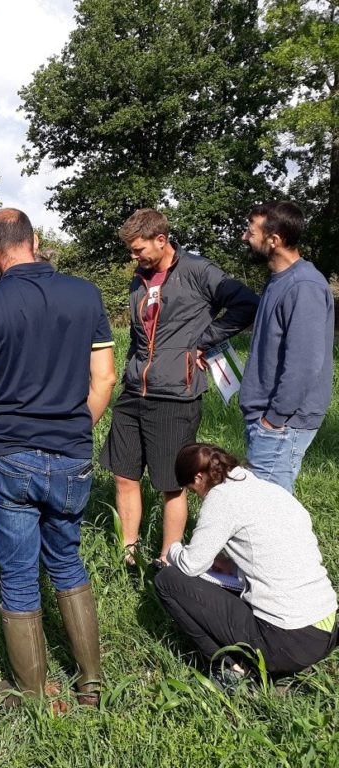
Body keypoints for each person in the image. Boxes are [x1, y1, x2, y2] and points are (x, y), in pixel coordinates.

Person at [0, 209, 117, 707]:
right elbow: (105, 378)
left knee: (19, 576)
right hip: (72, 453)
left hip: (10, 455)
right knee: (68, 562)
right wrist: (77, 427)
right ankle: (91, 684)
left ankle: (32, 692)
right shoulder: (86, 294)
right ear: (34, 241)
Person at [99, 208, 259, 565]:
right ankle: (128, 554)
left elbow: (247, 304)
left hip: (176, 396)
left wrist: (204, 341)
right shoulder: (139, 279)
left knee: (171, 484)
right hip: (133, 392)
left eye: (138, 249)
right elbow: (140, 334)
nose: (134, 256)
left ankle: (167, 559)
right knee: (124, 476)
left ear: (161, 239)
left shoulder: (198, 270)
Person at [155, 443, 337, 690]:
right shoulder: (271, 490)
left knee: (167, 580)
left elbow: (190, 566)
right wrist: (229, 564)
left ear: (198, 478)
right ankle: (286, 662)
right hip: (324, 627)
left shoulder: (222, 498)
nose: (198, 495)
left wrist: (172, 549)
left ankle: (230, 670)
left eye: (192, 489)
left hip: (288, 640)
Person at [239, 201, 334, 493]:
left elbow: (304, 364)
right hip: (268, 417)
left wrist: (274, 419)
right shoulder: (279, 281)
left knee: (270, 511)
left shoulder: (304, 286)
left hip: (281, 423)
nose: (245, 237)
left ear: (274, 240)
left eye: (251, 231)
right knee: (264, 506)